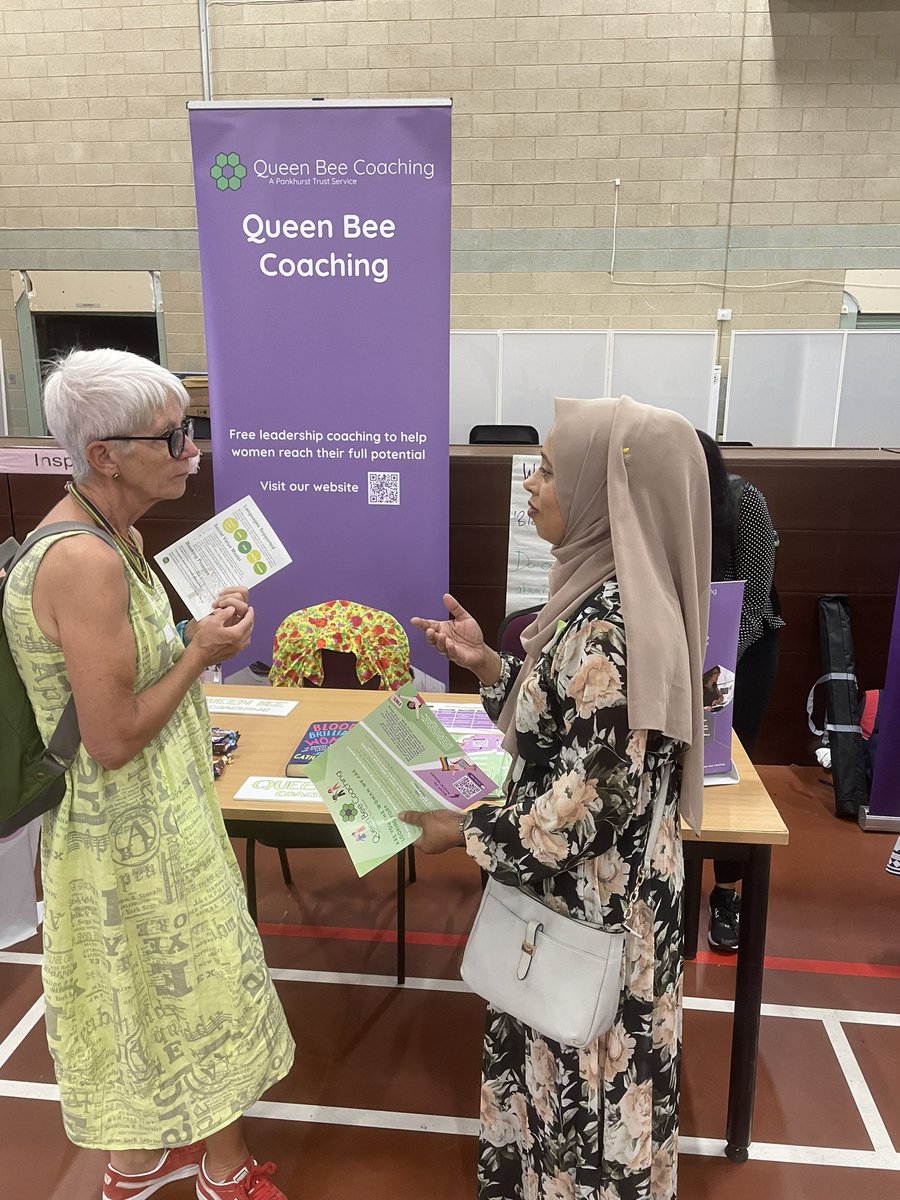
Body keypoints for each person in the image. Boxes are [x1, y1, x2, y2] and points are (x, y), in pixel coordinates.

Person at [2, 349, 294, 1200]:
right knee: (188, 987)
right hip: (127, 830)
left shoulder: (115, 535)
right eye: (173, 438)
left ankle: (140, 1162)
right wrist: (202, 651)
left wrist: (192, 638)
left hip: (152, 816)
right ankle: (220, 1170)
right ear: (105, 455)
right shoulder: (84, 560)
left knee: (144, 990)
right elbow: (114, 735)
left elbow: (123, 679)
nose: (191, 452)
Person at [401, 396, 710, 1200]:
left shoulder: (610, 623)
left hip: (592, 913)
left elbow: (588, 812)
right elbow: (567, 731)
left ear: (605, 494)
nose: (531, 487)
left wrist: (461, 829)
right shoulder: (601, 598)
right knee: (568, 1086)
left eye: (547, 470)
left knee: (586, 1104)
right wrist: (487, 669)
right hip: (584, 904)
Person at [697, 430, 784, 952]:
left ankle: (725, 892)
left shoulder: (742, 498)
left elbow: (752, 596)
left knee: (729, 771)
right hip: (691, 656)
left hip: (744, 653)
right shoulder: (660, 506)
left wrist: (716, 665)